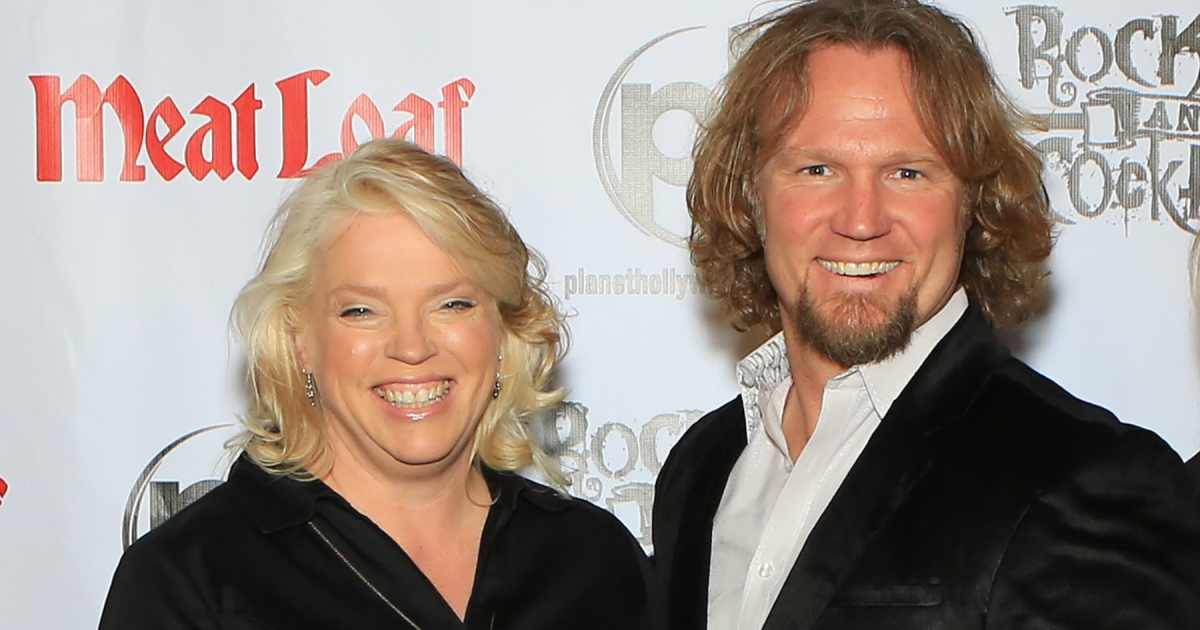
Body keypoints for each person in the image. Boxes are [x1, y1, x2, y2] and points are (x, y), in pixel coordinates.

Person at [651, 1, 1200, 629]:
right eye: (817, 169)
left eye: (908, 173)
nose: (861, 220)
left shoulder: (1087, 477)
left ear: (973, 203)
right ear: (751, 195)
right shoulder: (701, 469)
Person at [99, 139, 649, 629]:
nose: (411, 346)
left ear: (504, 330)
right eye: (361, 311)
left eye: (452, 304)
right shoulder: (191, 579)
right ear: (298, 341)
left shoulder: (593, 560)